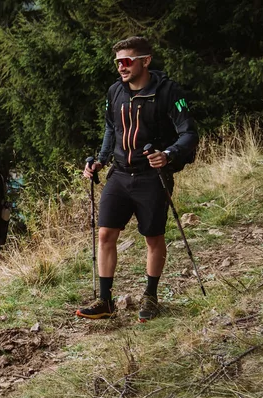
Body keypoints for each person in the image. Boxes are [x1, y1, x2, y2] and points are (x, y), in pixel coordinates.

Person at [77, 36, 197, 322]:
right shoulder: (114, 92)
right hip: (119, 174)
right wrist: (100, 160)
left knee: (153, 237)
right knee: (106, 234)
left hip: (152, 176)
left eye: (127, 61)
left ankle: (150, 296)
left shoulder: (168, 92)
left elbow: (189, 133)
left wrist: (168, 154)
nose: (121, 67)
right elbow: (111, 129)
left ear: (146, 61)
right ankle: (105, 301)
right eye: (118, 62)